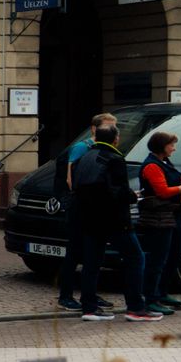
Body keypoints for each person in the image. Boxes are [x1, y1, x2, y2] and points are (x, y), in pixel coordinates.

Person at [73, 116, 162, 323]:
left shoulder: (86, 157)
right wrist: (134, 196)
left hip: (89, 219)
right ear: (116, 139)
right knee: (136, 259)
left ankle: (89, 308)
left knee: (91, 263)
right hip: (115, 220)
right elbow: (118, 193)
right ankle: (136, 308)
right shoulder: (115, 159)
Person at [56, 115, 115, 311]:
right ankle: (65, 295)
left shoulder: (104, 149)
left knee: (93, 254)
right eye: (107, 127)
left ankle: (90, 294)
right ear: (94, 129)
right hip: (79, 206)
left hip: (92, 208)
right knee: (74, 252)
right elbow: (70, 178)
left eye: (113, 127)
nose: (112, 131)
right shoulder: (83, 147)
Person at [138, 130, 181, 315]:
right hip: (158, 218)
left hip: (172, 215)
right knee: (157, 258)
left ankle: (162, 292)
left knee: (175, 254)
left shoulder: (164, 162)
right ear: (162, 146)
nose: (174, 148)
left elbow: (174, 185)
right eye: (171, 145)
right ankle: (151, 299)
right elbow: (162, 192)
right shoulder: (151, 166)